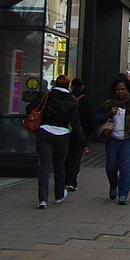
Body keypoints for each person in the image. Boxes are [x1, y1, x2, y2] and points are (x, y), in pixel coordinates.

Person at [26, 75, 86, 209]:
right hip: (62, 135)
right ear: (68, 86)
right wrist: (83, 142)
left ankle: (42, 199)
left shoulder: (46, 95)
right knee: (59, 165)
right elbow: (76, 124)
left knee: (44, 166)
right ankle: (59, 195)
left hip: (45, 131)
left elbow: (29, 108)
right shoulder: (72, 100)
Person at [99, 78, 130, 205]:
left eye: (123, 89)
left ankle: (123, 194)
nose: (120, 92)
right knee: (111, 166)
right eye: (118, 89)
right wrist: (109, 113)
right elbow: (98, 119)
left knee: (125, 166)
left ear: (128, 90)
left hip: (129, 140)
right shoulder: (108, 104)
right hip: (112, 139)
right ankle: (114, 185)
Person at [62, 78, 95, 194]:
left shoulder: (66, 98)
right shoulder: (86, 101)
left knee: (66, 156)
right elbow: (90, 119)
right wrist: (87, 134)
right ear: (82, 86)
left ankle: (64, 179)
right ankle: (72, 181)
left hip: (65, 131)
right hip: (80, 132)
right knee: (75, 157)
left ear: (71, 86)